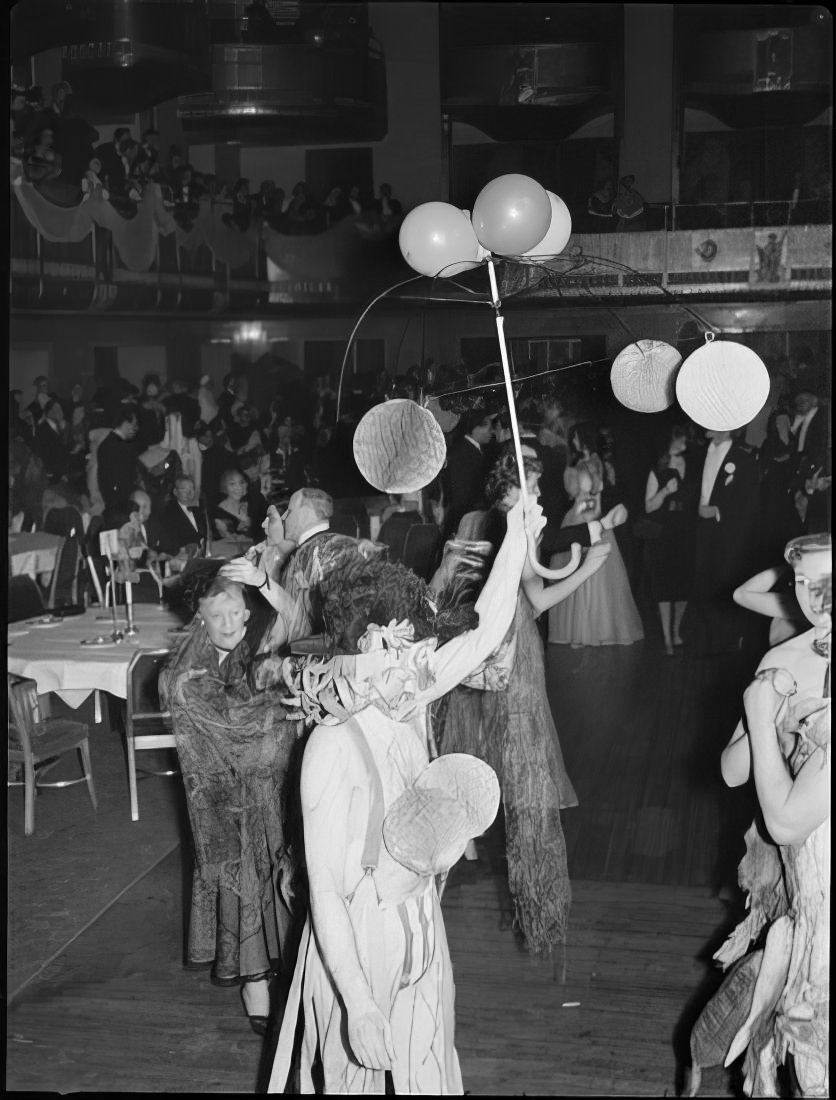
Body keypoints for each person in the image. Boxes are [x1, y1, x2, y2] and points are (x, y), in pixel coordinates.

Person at [267, 496, 541, 1094]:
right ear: (354, 657)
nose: (414, 670)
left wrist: (516, 538)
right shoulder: (332, 748)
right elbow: (328, 893)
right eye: (396, 654)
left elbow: (485, 631)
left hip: (422, 917)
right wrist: (359, 1002)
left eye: (416, 652)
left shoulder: (406, 690)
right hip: (362, 937)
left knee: (434, 1074)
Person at [435, 450, 612, 956]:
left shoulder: (510, 526)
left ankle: (528, 904)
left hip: (501, 654)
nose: (537, 498)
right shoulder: (493, 525)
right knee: (516, 770)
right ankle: (530, 906)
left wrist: (585, 569)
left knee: (482, 763)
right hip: (493, 657)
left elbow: (532, 597)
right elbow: (510, 597)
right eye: (531, 487)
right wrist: (583, 569)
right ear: (509, 487)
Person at [689, 533, 830, 1097]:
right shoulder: (786, 655)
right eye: (802, 583)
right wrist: (763, 717)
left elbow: (785, 822)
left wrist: (761, 711)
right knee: (806, 1053)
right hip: (806, 886)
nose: (814, 596)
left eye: (828, 581)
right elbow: (730, 770)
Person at [159, 565, 303, 1035]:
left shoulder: (246, 646)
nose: (229, 623)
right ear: (198, 615)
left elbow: (300, 623)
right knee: (241, 882)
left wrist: (266, 586)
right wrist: (293, 698)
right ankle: (254, 979)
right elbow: (238, 728)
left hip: (265, 789)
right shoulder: (185, 672)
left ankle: (278, 967)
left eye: (237, 612)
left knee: (276, 875)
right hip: (220, 800)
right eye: (216, 614)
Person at [548, 422, 644, 646]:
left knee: (592, 574)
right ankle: (579, 631)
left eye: (575, 438)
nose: (573, 442)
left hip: (586, 518)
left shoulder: (593, 463)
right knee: (575, 570)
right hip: (578, 516)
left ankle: (589, 631)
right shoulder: (577, 463)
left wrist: (592, 518)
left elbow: (595, 495)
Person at [687, 427, 761, 653]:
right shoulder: (697, 454)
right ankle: (704, 640)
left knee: (725, 583)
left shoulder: (743, 459)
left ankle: (726, 642)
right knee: (701, 581)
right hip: (700, 529)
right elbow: (689, 489)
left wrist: (718, 510)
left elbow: (750, 500)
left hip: (728, 534)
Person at [642, 424, 699, 654]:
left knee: (683, 587)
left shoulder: (693, 467)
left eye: (685, 439)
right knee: (664, 588)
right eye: (679, 438)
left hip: (686, 534)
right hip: (663, 535)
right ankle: (666, 638)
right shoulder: (657, 470)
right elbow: (648, 507)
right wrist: (665, 491)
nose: (683, 442)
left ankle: (676, 632)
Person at [757, 408, 803, 568]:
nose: (780, 424)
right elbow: (763, 465)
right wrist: (778, 460)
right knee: (772, 526)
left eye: (783, 420)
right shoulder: (769, 442)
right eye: (777, 421)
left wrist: (789, 458)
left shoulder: (794, 441)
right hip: (772, 491)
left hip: (789, 490)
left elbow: (799, 462)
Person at [443, 410, 498, 538]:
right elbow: (460, 494)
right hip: (463, 523)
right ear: (476, 429)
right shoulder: (463, 453)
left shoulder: (472, 450)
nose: (492, 432)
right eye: (489, 428)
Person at [96, 405, 142, 521]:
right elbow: (121, 477)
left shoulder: (108, 443)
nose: (136, 428)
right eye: (134, 424)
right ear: (126, 423)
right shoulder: (117, 446)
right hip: (120, 502)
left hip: (115, 499)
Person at [158, 475, 209, 557]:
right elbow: (168, 542)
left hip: (201, 556)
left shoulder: (199, 511)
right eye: (184, 490)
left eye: (192, 489)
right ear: (175, 492)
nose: (189, 493)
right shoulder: (167, 513)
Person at [212, 468, 258, 545]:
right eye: (232, 484)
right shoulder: (219, 512)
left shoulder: (248, 505)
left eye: (241, 482)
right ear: (224, 486)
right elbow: (227, 539)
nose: (239, 487)